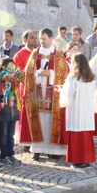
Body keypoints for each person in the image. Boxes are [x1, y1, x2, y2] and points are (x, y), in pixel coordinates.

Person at [24, 28, 70, 160]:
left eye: (44, 38)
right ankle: (37, 149)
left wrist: (51, 74)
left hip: (53, 93)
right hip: (37, 91)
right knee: (38, 118)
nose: (41, 41)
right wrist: (38, 73)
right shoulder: (35, 53)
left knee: (51, 120)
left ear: (51, 39)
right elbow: (28, 72)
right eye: (40, 38)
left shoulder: (58, 54)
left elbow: (64, 72)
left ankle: (54, 150)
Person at [59, 53, 97, 169]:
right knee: (86, 136)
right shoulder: (91, 78)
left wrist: (60, 91)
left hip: (76, 111)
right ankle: (87, 160)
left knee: (76, 137)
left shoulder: (73, 78)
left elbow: (68, 95)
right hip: (87, 111)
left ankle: (78, 161)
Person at [0, 58, 21, 167]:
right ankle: (3, 155)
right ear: (2, 67)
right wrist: (5, 99)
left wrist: (14, 99)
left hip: (12, 111)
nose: (12, 68)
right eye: (9, 66)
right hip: (2, 111)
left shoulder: (14, 79)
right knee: (3, 134)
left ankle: (10, 154)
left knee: (10, 134)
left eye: (13, 66)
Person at [15, 30, 38, 148]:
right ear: (25, 40)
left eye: (35, 37)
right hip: (26, 88)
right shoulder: (20, 55)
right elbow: (19, 73)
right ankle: (26, 141)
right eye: (32, 38)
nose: (35, 40)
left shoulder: (38, 52)